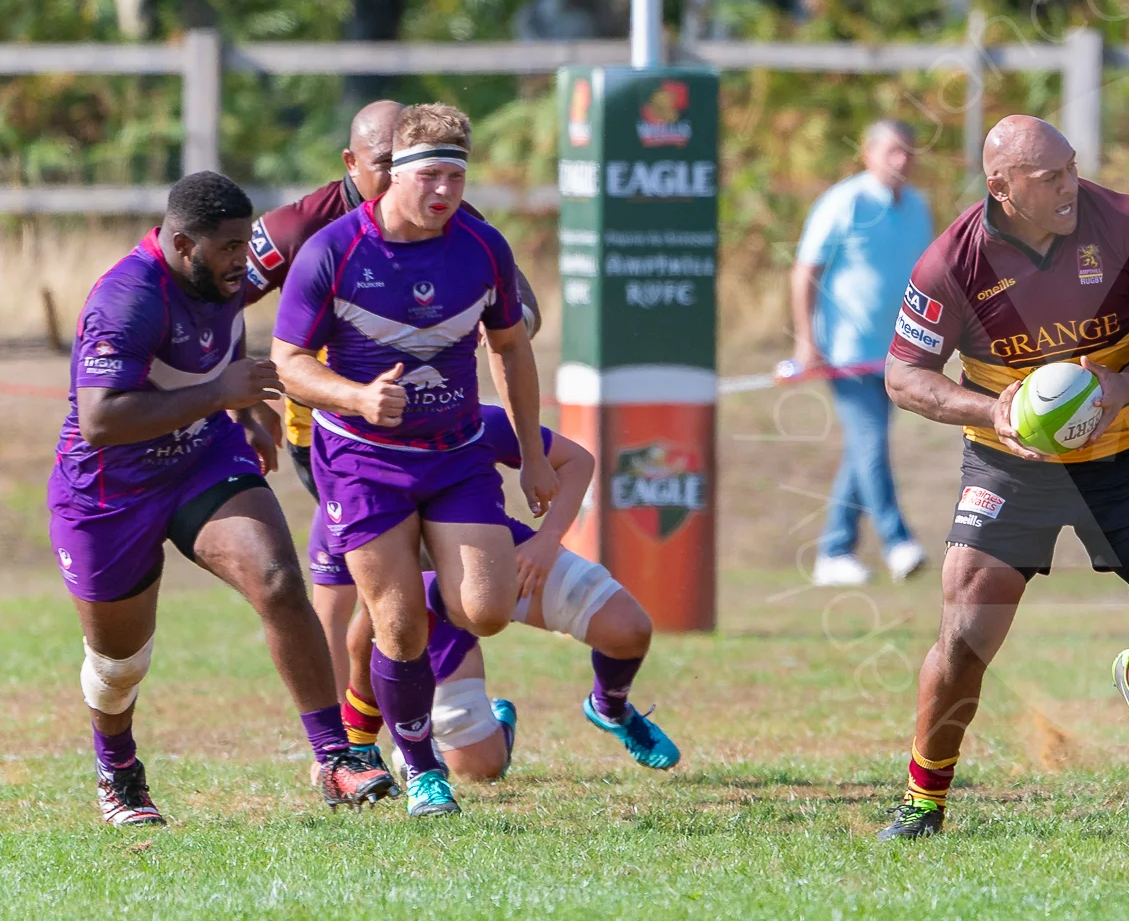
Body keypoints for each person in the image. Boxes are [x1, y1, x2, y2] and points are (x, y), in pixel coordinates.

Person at [875, 115, 1129, 839]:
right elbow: (904, 377)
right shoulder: (952, 262)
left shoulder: (1124, 222)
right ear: (1002, 187)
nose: (1071, 185)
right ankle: (922, 803)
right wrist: (990, 411)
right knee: (966, 630)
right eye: (1050, 177)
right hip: (1012, 466)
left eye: (1071, 167)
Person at [49, 172, 393, 825]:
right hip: (107, 490)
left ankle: (336, 758)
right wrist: (220, 394)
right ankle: (117, 768)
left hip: (201, 456)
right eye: (231, 248)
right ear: (182, 244)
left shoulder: (217, 275)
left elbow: (219, 336)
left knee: (278, 580)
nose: (245, 261)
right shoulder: (127, 299)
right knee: (120, 665)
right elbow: (99, 420)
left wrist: (245, 417)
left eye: (246, 243)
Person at [271, 103, 556, 817]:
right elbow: (289, 362)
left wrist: (531, 453)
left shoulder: (483, 247)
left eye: (456, 179)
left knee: (486, 609)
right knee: (397, 627)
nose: (445, 194)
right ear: (391, 173)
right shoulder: (332, 250)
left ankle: (415, 680)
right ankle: (423, 768)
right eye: (430, 176)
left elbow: (513, 350)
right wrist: (358, 398)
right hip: (363, 460)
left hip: (456, 454)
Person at [318, 405, 678, 781]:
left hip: (498, 561)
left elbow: (575, 460)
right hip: (423, 599)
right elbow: (363, 628)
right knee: (480, 769)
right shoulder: (348, 449)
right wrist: (354, 742)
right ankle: (424, 735)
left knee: (629, 629)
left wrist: (547, 541)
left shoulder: (466, 419)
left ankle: (610, 707)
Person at [791, 119, 931, 586]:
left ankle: (834, 551)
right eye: (892, 150)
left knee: (861, 451)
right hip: (845, 353)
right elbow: (805, 270)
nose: (902, 159)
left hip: (896, 355)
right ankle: (898, 542)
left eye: (908, 151)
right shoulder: (844, 201)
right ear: (868, 154)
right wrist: (806, 340)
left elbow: (926, 278)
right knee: (871, 444)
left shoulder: (917, 207)